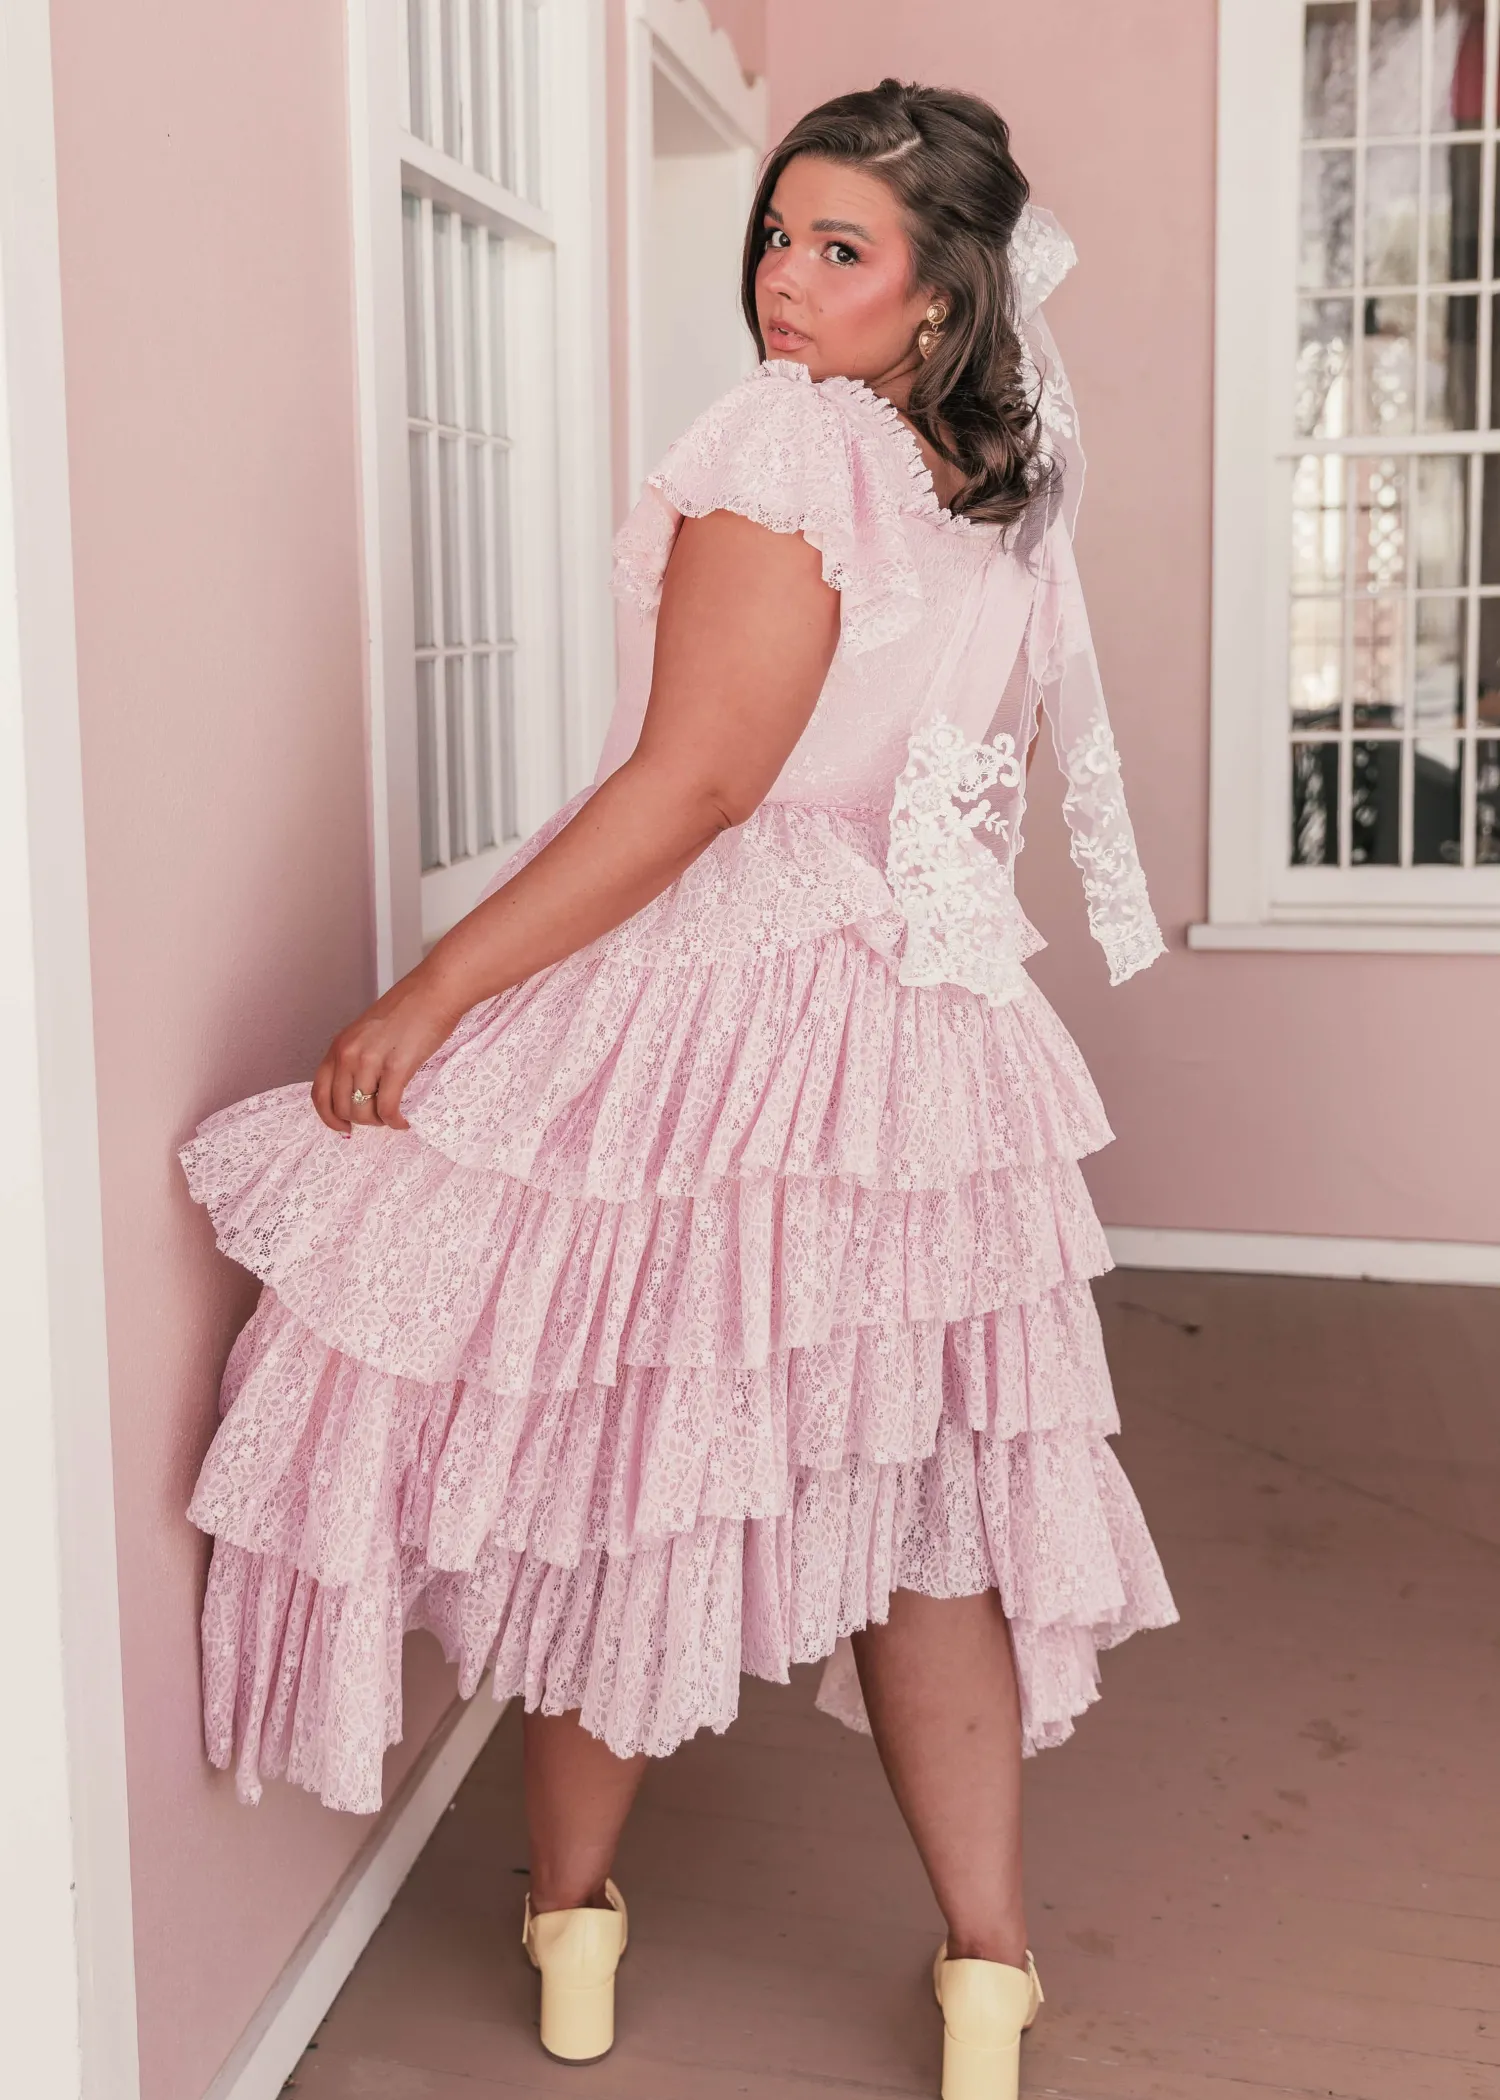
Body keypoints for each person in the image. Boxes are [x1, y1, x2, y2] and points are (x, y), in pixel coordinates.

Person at [180, 78, 1176, 2100]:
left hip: (737, 1027)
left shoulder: (792, 444)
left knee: (628, 1483)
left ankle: (573, 1930)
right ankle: (987, 1982)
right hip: (935, 1048)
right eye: (776, 236)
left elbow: (702, 782)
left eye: (841, 249)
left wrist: (436, 991)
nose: (785, 283)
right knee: (931, 1511)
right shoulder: (1007, 480)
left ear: (938, 294)